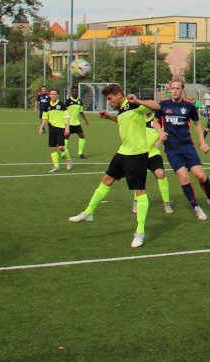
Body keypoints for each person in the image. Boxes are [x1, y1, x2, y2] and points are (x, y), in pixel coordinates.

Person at [68, 85, 163, 248]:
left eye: (110, 99)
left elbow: (157, 107)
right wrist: (109, 117)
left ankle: (140, 232)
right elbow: (122, 121)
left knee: (140, 192)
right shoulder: (122, 109)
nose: (109, 102)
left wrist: (139, 101)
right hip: (123, 153)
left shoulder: (134, 105)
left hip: (137, 155)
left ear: (119, 95)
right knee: (106, 180)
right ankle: (89, 212)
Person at [155, 79, 210, 220]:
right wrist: (160, 132)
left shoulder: (189, 106)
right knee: (184, 177)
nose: (175, 91)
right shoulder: (163, 104)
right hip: (171, 148)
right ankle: (196, 207)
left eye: (177, 88)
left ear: (182, 90)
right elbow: (155, 121)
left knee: (200, 176)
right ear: (169, 90)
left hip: (187, 146)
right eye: (172, 88)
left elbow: (197, 124)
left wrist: (202, 142)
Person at [140, 112, 175, 214]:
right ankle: (136, 202)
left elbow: (164, 132)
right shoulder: (139, 117)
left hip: (154, 154)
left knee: (161, 174)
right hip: (140, 154)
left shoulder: (158, 119)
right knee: (139, 178)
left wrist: (160, 140)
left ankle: (166, 204)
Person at [38, 88, 73, 173]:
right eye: (52, 94)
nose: (53, 96)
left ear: (57, 95)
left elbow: (67, 117)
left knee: (61, 147)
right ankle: (56, 166)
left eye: (55, 94)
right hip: (51, 128)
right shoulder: (47, 106)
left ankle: (68, 159)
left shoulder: (61, 105)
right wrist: (41, 127)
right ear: (49, 95)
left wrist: (67, 128)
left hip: (60, 128)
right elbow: (45, 118)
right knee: (52, 148)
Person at [64, 91, 91, 159]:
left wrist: (85, 120)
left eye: (76, 91)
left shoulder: (80, 101)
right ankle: (63, 153)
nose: (75, 92)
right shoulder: (68, 101)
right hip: (69, 123)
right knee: (66, 137)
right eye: (73, 91)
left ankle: (80, 153)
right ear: (71, 92)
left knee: (82, 136)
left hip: (77, 123)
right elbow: (64, 112)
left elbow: (81, 112)